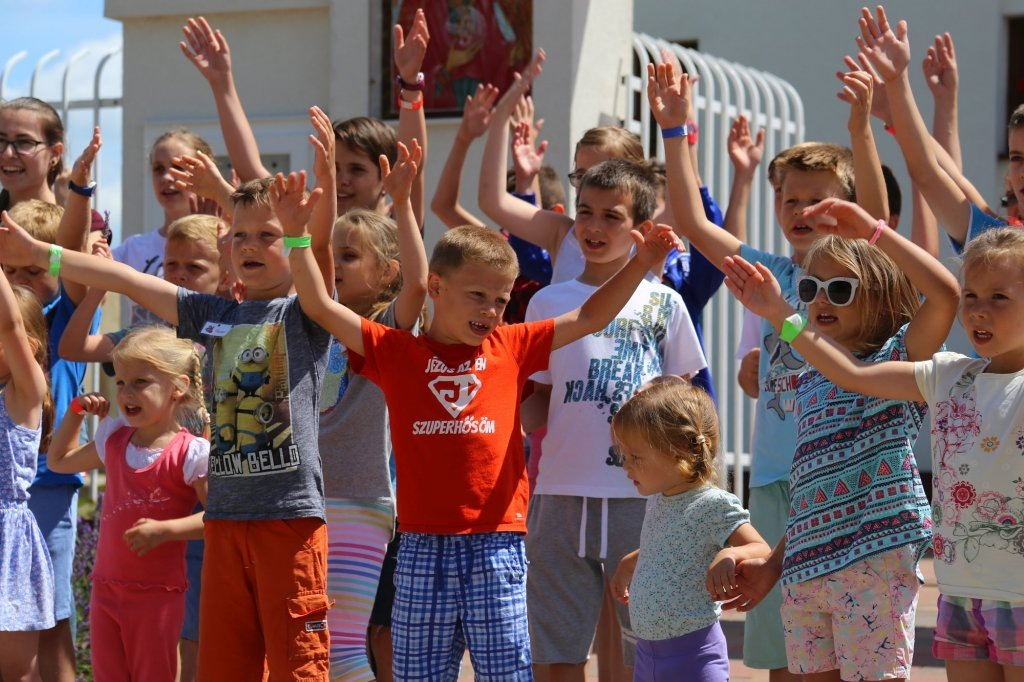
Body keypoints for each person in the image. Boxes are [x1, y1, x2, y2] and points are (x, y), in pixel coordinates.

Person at [271, 151, 681, 679]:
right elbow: (321, 307)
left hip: (498, 543)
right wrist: (297, 237)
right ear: (437, 288)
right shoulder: (395, 351)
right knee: (419, 674)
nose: (490, 310)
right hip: (420, 545)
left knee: (506, 673)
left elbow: (589, 314)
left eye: (500, 299)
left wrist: (641, 264)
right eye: (477, 296)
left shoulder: (513, 344)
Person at [0, 167, 335, 679]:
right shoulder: (213, 315)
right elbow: (125, 280)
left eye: (267, 235)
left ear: (293, 239)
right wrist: (41, 254)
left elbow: (319, 266)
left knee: (297, 666)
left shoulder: (304, 316)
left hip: (287, 518)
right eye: (240, 235)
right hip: (226, 523)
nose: (250, 245)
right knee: (225, 667)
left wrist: (299, 232)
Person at [647, 54, 892, 681]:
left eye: (818, 199)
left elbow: (882, 224)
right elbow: (694, 223)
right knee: (783, 642)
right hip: (776, 476)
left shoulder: (861, 278)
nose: (801, 209)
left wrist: (861, 128)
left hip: (838, 476)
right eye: (790, 198)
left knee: (842, 646)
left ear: (847, 206)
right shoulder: (771, 273)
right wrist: (676, 130)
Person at [723, 207, 1024, 681]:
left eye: (840, 289)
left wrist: (873, 231)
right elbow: (813, 493)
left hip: (876, 563)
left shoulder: (901, 357)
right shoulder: (812, 380)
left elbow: (943, 294)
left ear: (881, 297)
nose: (821, 299)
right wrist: (776, 564)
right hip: (811, 566)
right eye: (810, 289)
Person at [522, 158, 707, 681]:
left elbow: (684, 400)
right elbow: (536, 399)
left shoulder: (666, 303)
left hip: (641, 497)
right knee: (556, 646)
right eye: (585, 212)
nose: (594, 226)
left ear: (641, 229)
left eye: (612, 215)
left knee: (643, 643)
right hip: (559, 492)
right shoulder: (547, 302)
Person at [316, 139, 427, 681]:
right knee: (321, 641)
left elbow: (420, 285)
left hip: (366, 503)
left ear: (386, 272)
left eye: (349, 256)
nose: (334, 265)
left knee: (356, 643)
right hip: (311, 500)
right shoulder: (314, 323)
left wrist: (402, 203)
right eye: (332, 254)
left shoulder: (387, 328)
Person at [48, 327, 208, 682]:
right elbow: (58, 461)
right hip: (106, 589)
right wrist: (76, 412)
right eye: (120, 383)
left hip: (157, 597)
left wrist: (167, 530)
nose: (126, 393)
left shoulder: (191, 453)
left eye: (140, 382)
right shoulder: (115, 438)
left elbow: (218, 520)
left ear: (178, 387)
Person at [1, 126, 101, 682]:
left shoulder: (63, 316)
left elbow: (73, 258)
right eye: (9, 270)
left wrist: (80, 190)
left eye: (32, 270)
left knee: (53, 621)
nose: (20, 281)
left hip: (48, 484)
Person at [609, 378, 769, 682]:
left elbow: (761, 548)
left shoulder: (712, 503)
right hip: (647, 656)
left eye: (635, 457)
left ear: (679, 451)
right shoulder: (659, 498)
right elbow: (673, 542)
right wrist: (632, 560)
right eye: (624, 456)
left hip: (695, 656)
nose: (626, 465)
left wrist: (730, 554)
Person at [0, 264, 56, 682]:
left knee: (16, 671)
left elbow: (10, 324)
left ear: (26, 348)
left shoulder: (24, 395)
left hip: (8, 545)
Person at [114, 128, 214, 328]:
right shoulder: (134, 247)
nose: (167, 177)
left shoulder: (227, 241)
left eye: (179, 167)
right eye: (158, 169)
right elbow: (85, 273)